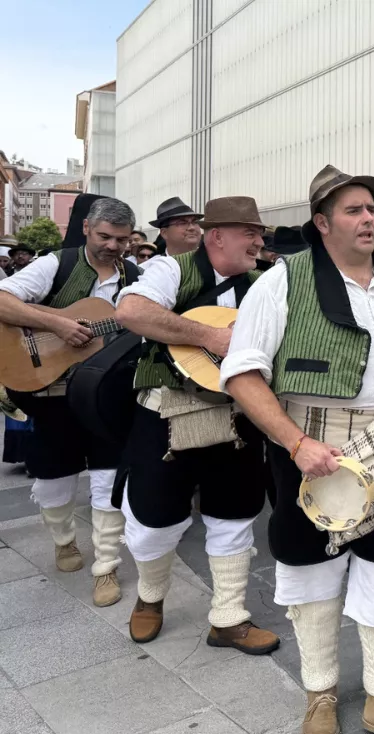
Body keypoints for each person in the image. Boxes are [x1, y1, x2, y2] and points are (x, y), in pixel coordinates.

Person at [221, 165, 374, 734]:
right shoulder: (283, 280)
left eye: (371, 209)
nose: (368, 219)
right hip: (313, 452)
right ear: (322, 222)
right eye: (353, 210)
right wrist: (295, 443)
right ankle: (319, 696)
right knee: (311, 577)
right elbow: (241, 374)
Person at [114, 196, 279, 654]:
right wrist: (212, 337)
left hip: (238, 413)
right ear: (217, 236)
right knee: (153, 519)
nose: (259, 241)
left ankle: (229, 617)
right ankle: (150, 597)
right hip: (168, 412)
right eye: (250, 233)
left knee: (236, 512)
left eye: (260, 234)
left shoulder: (264, 284)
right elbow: (130, 313)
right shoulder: (172, 270)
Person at [0, 198, 141, 607]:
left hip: (109, 393)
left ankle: (107, 566)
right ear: (86, 230)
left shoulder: (135, 275)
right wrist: (58, 324)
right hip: (52, 390)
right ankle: (64, 541)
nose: (114, 246)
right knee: (53, 477)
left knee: (107, 475)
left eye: (122, 239)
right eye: (105, 237)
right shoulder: (56, 264)